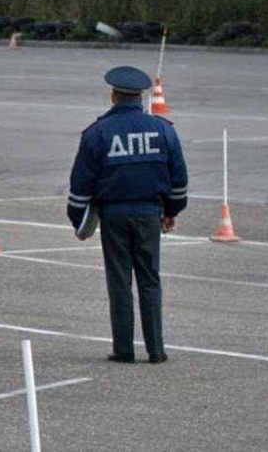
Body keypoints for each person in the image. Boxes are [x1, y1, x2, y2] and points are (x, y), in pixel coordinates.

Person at [67, 66, 188, 364]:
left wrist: (79, 221)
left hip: (114, 216)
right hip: (150, 213)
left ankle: (124, 349)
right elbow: (179, 180)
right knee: (150, 280)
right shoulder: (163, 130)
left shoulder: (97, 133)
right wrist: (170, 212)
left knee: (119, 281)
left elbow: (80, 184)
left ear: (113, 95)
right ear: (141, 96)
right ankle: (156, 350)